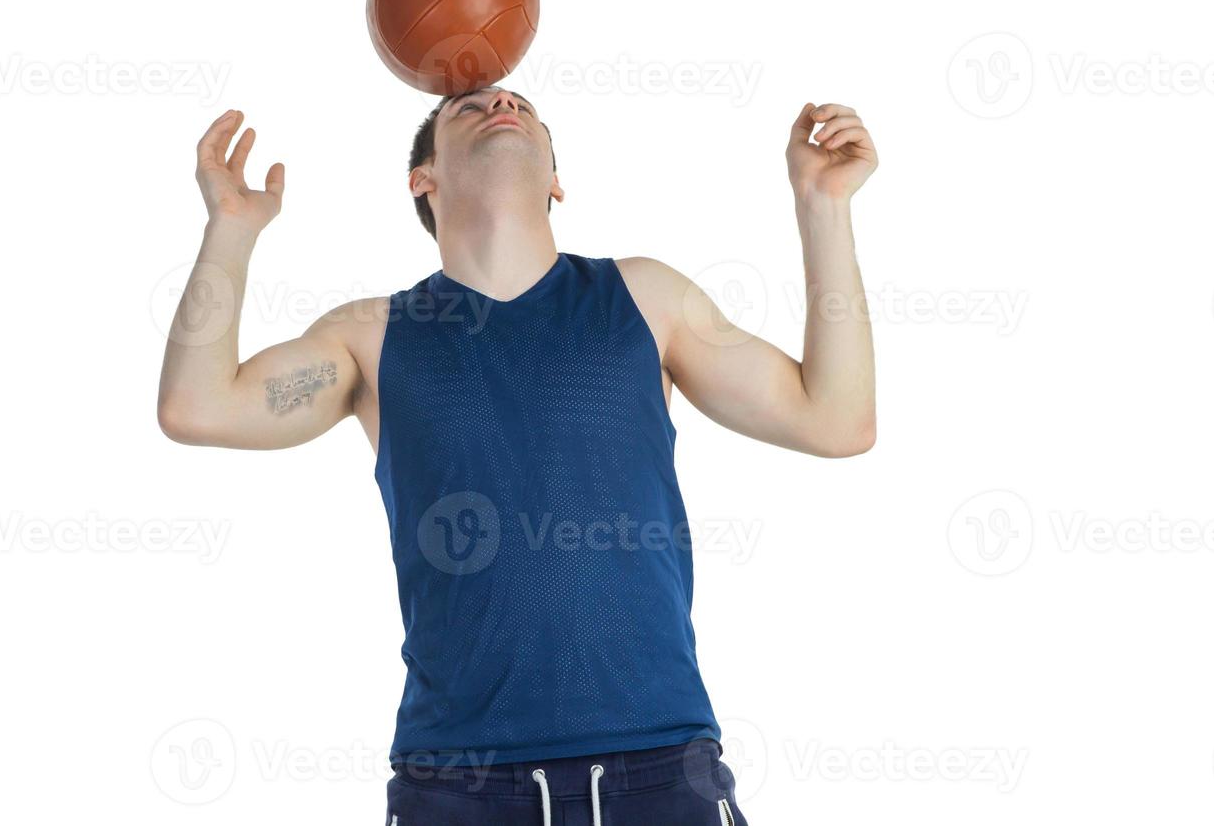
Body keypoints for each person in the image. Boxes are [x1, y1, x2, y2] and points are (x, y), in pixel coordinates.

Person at [157, 88, 878, 825]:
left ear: (557, 182)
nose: (502, 100)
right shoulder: (371, 337)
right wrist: (231, 232)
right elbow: (198, 407)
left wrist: (823, 208)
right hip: (456, 788)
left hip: (656, 773)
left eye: (523, 105)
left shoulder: (646, 298)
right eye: (467, 108)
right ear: (423, 178)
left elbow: (836, 420)